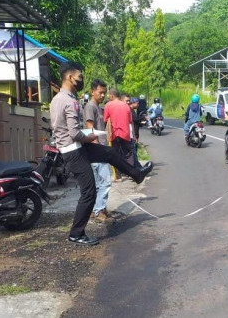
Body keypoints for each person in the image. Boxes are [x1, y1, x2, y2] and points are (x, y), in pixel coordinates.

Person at [50, 61, 153, 246]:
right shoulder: (67, 101)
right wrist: (91, 137)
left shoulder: (62, 98)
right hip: (72, 151)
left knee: (109, 153)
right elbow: (74, 134)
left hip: (76, 147)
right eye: (79, 76)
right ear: (69, 77)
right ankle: (76, 233)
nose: (81, 80)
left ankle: (136, 174)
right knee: (89, 191)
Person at [83, 79, 113, 223]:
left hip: (99, 149)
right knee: (106, 182)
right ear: (92, 91)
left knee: (98, 183)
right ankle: (99, 210)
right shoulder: (90, 107)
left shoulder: (98, 108)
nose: (102, 95)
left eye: (104, 93)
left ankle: (95, 208)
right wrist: (98, 149)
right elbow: (90, 130)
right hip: (96, 151)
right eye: (100, 92)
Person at [104, 92, 135, 170]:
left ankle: (118, 176)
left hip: (114, 133)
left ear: (112, 95)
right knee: (128, 154)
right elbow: (130, 121)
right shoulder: (126, 106)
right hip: (125, 134)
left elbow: (105, 120)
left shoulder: (108, 105)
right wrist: (133, 135)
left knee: (116, 154)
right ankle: (131, 172)